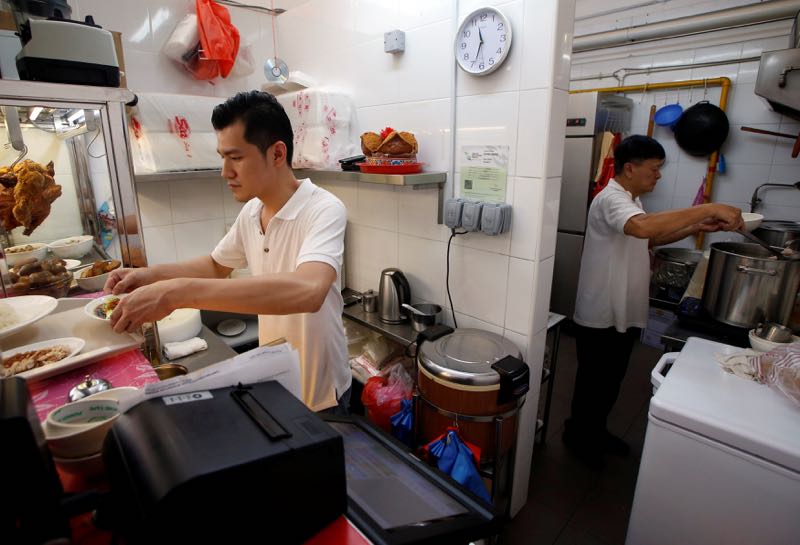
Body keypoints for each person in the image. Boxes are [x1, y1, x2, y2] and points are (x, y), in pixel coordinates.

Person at [104, 90, 350, 414]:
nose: (225, 171)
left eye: (235, 158)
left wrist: (177, 294)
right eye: (223, 157)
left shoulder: (324, 208)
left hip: (321, 391)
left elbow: (309, 290)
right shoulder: (252, 212)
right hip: (277, 379)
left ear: (277, 154)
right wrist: (148, 277)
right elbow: (214, 265)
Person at [563, 135, 744, 468]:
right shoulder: (612, 198)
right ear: (630, 168)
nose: (658, 175)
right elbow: (643, 229)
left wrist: (697, 224)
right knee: (593, 382)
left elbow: (649, 238)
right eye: (655, 168)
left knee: (611, 380)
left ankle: (596, 431)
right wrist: (707, 206)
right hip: (601, 312)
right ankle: (579, 438)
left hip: (623, 310)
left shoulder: (632, 200)